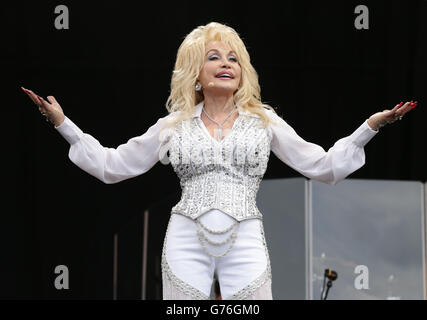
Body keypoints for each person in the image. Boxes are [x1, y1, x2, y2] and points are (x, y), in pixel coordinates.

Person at [22, 22, 418, 300]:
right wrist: (62, 124)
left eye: (234, 58)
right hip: (184, 237)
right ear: (196, 74)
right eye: (214, 57)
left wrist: (370, 126)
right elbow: (112, 166)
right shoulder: (173, 124)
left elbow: (325, 167)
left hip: (245, 237)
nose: (227, 63)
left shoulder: (264, 121)